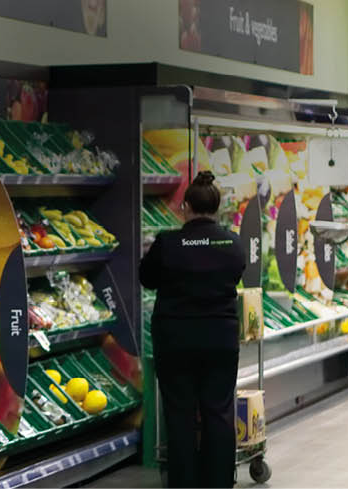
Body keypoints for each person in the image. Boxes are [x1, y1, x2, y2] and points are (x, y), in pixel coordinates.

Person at [140, 171, 246, 488]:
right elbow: (236, 275)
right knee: (219, 411)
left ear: (185, 207)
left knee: (180, 414)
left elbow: (147, 278)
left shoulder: (167, 243)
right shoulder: (232, 242)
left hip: (176, 340)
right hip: (220, 339)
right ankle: (219, 482)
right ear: (217, 207)